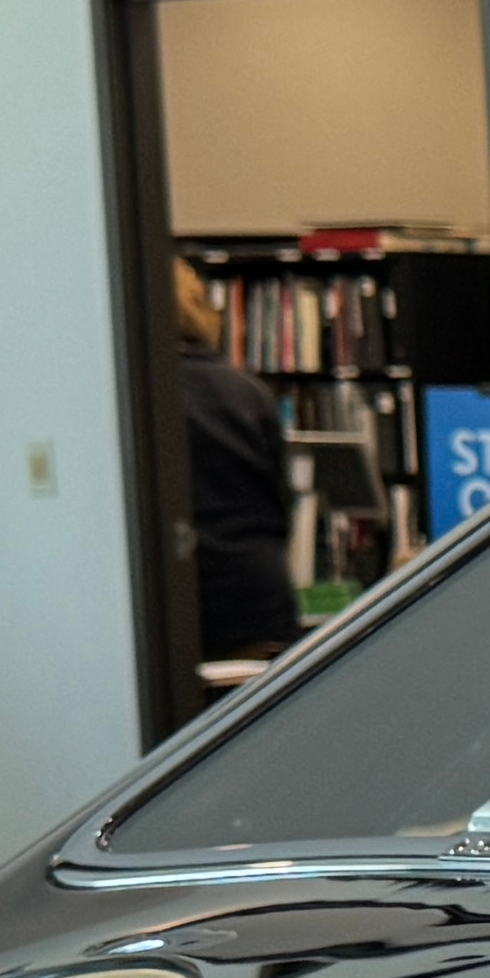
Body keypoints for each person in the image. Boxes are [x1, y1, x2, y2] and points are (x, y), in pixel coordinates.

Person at [168, 261, 300, 672]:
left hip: (191, 604)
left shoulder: (147, 397)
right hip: (262, 597)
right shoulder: (249, 391)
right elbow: (281, 501)